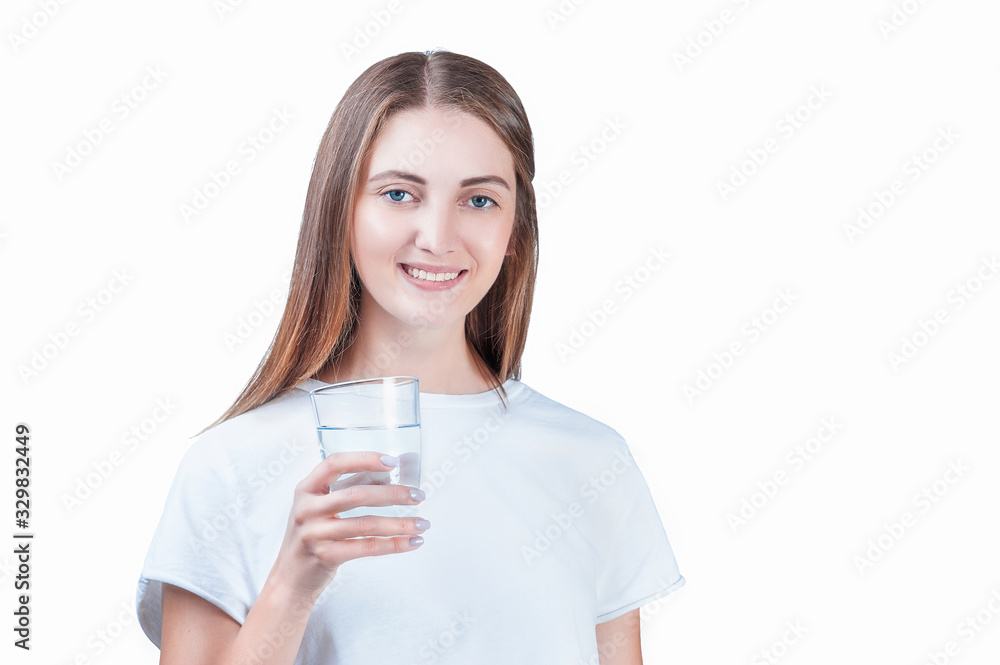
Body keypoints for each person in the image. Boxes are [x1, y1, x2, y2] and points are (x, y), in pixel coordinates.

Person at [135, 49, 685, 665]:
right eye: (399, 194)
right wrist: (294, 583)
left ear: (514, 232)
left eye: (479, 200)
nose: (439, 237)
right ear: (341, 210)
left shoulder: (592, 461)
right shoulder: (231, 465)